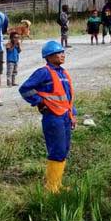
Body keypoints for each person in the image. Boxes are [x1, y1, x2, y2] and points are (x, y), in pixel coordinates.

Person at [19, 40, 76, 193]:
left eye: (63, 52)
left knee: (64, 149)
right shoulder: (44, 72)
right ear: (48, 56)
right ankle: (51, 187)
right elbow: (25, 89)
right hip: (53, 117)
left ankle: (58, 184)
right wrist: (39, 102)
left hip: (65, 116)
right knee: (56, 150)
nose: (62, 55)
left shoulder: (63, 73)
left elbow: (66, 97)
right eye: (58, 53)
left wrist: (73, 114)